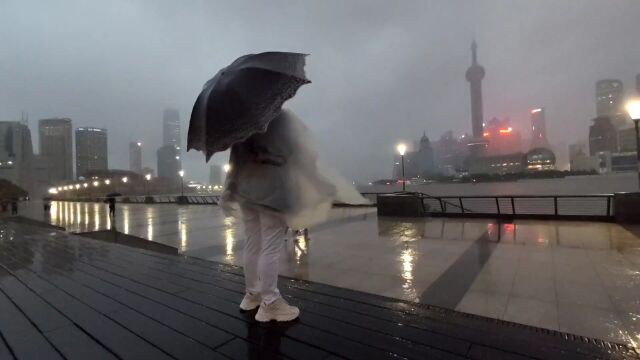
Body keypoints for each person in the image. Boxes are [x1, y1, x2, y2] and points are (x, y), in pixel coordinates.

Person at [222, 109, 367, 322]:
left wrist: (232, 189)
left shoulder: (242, 123)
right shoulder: (276, 116)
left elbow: (236, 163)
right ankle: (270, 302)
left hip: (245, 190)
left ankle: (252, 294)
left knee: (253, 243)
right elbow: (292, 154)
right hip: (270, 191)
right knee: (271, 246)